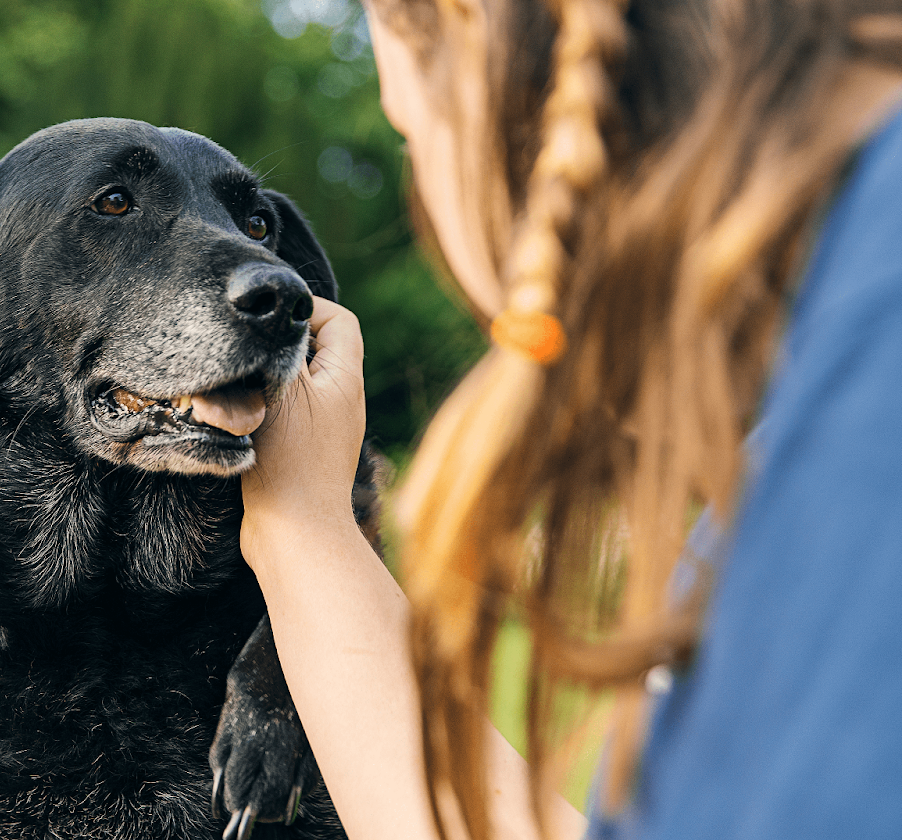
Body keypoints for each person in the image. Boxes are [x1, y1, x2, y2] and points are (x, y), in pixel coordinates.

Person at [240, 0, 902, 838]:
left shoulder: (867, 420)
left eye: (408, 138)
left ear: (466, 26)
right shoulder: (827, 398)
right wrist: (302, 527)